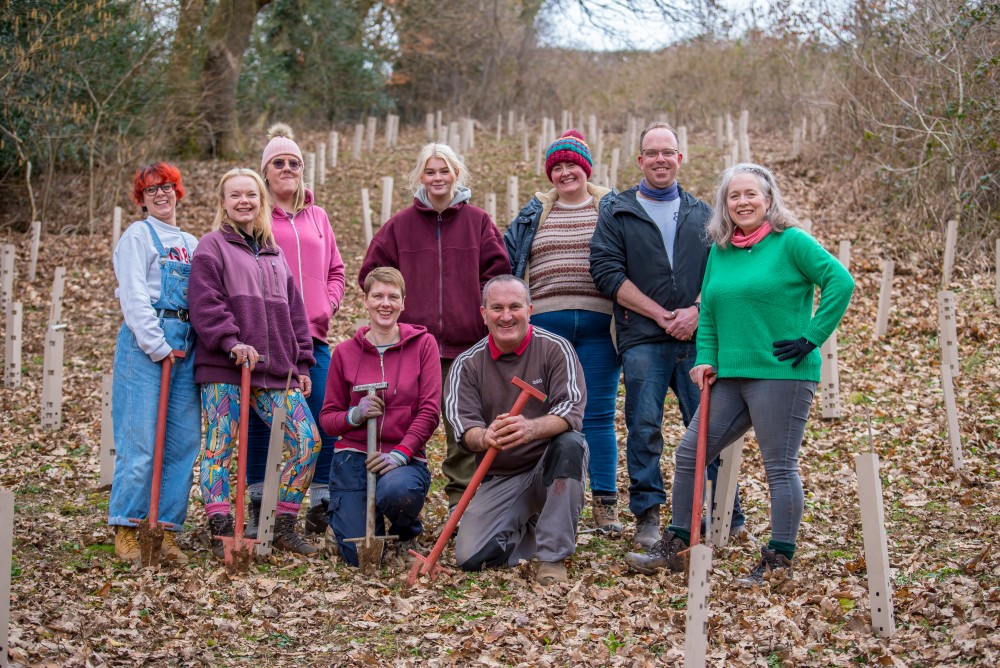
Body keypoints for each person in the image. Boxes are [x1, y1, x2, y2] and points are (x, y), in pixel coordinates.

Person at [625, 163, 854, 585]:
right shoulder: (720, 250)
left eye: (752, 195)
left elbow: (840, 281)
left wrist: (811, 337)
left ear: (768, 200)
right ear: (724, 205)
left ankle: (779, 558)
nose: (743, 202)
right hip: (729, 375)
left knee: (778, 466)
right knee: (691, 453)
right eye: (735, 196)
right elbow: (708, 309)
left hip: (782, 373)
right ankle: (679, 543)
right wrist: (706, 357)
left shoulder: (792, 243)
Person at [590, 121, 746, 549]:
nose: (660, 159)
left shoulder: (703, 213)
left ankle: (723, 511)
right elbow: (606, 272)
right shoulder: (617, 211)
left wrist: (696, 311)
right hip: (642, 337)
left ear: (681, 158)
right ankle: (648, 515)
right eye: (652, 152)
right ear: (640, 161)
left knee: (712, 424)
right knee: (643, 426)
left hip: (699, 338)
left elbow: (723, 269)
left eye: (668, 152)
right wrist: (661, 315)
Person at [359, 143, 510, 515]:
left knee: (466, 426)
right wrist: (396, 313)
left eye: (444, 171)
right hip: (413, 347)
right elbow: (371, 275)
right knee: (410, 422)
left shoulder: (478, 222)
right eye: (430, 172)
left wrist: (478, 313)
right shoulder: (400, 226)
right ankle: (401, 504)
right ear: (420, 177)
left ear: (456, 174)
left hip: (468, 348)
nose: (438, 178)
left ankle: (464, 507)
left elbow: (498, 275)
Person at [189, 167, 321, 559]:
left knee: (307, 441)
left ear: (261, 201)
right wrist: (231, 341)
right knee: (219, 446)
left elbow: (295, 312)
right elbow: (205, 301)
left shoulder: (274, 254)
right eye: (235, 195)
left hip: (274, 370)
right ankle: (221, 529)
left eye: (251, 195)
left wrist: (302, 361)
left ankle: (281, 524)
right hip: (225, 367)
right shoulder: (211, 247)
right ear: (223, 203)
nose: (243, 201)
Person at [504, 129, 622, 536]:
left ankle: (606, 502)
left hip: (600, 327)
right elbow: (511, 261)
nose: (566, 172)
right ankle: (542, 499)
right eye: (558, 167)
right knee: (545, 415)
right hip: (547, 329)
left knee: (599, 414)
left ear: (586, 169)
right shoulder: (534, 213)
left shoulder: (611, 208)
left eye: (573, 165)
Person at [445, 275, 588, 586]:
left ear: (530, 309)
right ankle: (532, 528)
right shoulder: (467, 364)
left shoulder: (556, 349)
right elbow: (462, 425)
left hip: (548, 467)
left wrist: (531, 428)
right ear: (483, 314)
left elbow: (571, 410)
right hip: (502, 476)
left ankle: (553, 557)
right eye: (496, 308)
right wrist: (484, 436)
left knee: (571, 444)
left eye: (514, 306)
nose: (506, 316)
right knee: (470, 558)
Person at [243, 123, 346, 540]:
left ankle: (320, 499)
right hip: (268, 337)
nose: (287, 168)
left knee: (325, 412)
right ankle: (257, 504)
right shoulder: (256, 216)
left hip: (315, 336)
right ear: (265, 171)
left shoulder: (318, 216)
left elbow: (336, 269)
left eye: (294, 162)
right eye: (278, 162)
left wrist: (327, 302)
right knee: (261, 423)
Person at [109, 163, 200, 564]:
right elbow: (133, 297)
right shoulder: (137, 237)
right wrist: (156, 344)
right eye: (151, 191)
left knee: (183, 442)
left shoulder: (192, 243)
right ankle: (128, 525)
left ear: (178, 191)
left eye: (167, 187)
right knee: (141, 438)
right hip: (146, 348)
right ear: (141, 199)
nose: (160, 195)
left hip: (188, 347)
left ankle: (163, 528)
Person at [319, 267, 441, 566]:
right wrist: (354, 415)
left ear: (403, 303)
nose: (384, 303)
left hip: (402, 456)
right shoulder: (346, 353)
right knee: (356, 557)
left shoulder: (423, 345)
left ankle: (404, 530)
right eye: (377, 296)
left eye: (392, 297)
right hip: (354, 455)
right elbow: (328, 418)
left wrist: (400, 454)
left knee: (397, 492)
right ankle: (346, 520)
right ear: (365, 301)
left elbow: (429, 411)